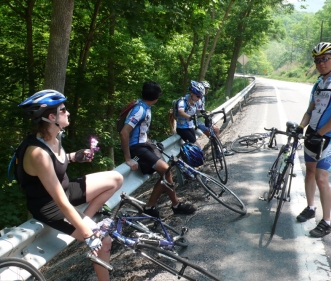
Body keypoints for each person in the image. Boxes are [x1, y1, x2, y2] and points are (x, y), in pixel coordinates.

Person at [18, 89, 123, 281]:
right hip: (50, 205)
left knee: (116, 179)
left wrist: (75, 156)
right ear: (51, 117)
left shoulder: (52, 137)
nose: (68, 113)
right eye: (63, 110)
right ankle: (85, 230)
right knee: (104, 241)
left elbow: (57, 163)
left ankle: (86, 220)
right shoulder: (37, 153)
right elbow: (60, 201)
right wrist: (89, 235)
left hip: (65, 189)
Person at [296, 42, 331, 237]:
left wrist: (319, 133)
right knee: (309, 172)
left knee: (321, 178)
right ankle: (311, 208)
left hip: (328, 137)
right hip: (312, 134)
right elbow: (310, 110)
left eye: (325, 59)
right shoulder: (318, 84)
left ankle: (326, 222)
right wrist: (301, 127)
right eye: (318, 60)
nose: (321, 63)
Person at [119, 81, 196, 218]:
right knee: (165, 170)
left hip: (145, 143)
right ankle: (162, 206)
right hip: (137, 147)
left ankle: (170, 205)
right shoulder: (140, 109)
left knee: (166, 173)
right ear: (156, 98)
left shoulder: (145, 106)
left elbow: (141, 130)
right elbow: (124, 132)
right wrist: (128, 158)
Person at [197, 81, 234, 156]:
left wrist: (206, 112)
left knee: (216, 130)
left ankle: (218, 150)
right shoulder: (197, 97)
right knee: (212, 133)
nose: (207, 90)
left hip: (199, 118)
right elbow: (197, 110)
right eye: (205, 89)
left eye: (207, 89)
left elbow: (201, 109)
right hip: (195, 120)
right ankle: (218, 151)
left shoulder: (202, 97)